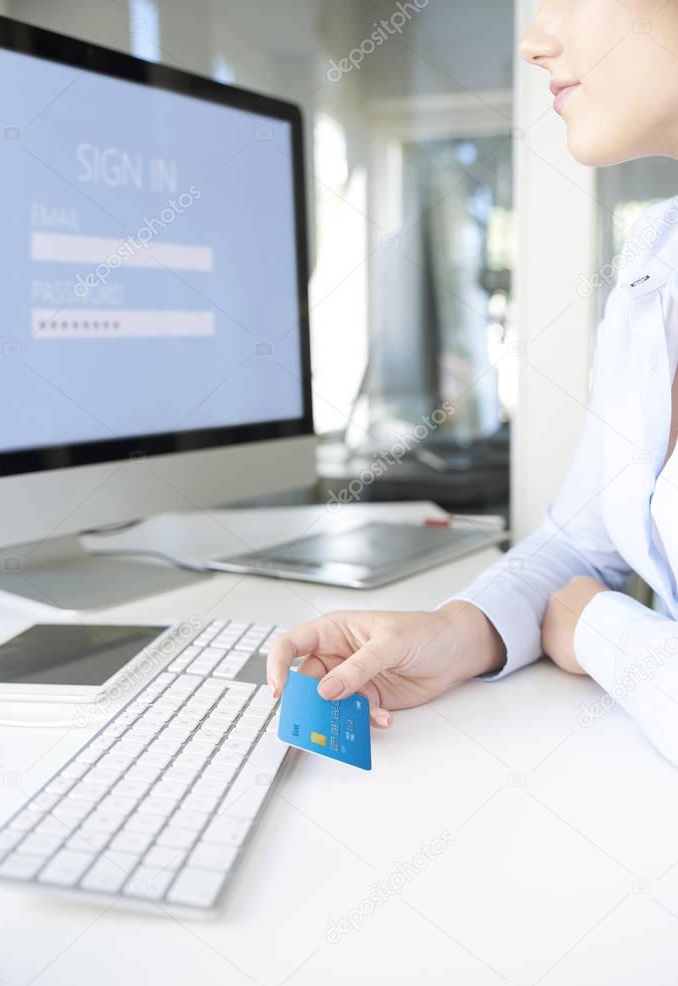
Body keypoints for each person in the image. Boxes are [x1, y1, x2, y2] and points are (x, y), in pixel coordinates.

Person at [268, 0, 678, 766]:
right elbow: (576, 546)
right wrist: (454, 634)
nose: (532, 40)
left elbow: (580, 602)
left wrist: (596, 627)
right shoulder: (657, 255)